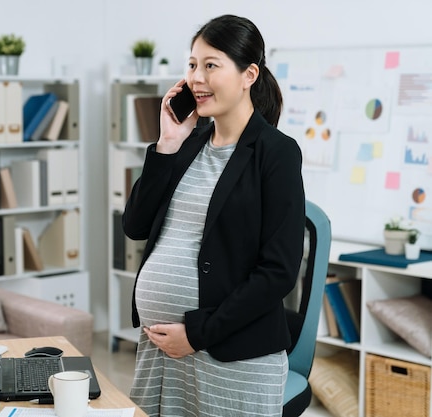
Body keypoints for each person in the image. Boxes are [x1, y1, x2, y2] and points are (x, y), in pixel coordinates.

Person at [122, 14, 306, 416]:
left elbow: (277, 271)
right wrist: (167, 144)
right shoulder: (188, 142)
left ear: (248, 74)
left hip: (230, 356)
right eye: (191, 65)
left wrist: (196, 334)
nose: (196, 78)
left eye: (211, 65)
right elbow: (134, 226)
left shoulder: (277, 153)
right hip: (161, 352)